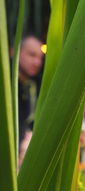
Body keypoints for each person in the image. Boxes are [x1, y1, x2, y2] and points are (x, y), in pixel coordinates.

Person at [17, 35, 44, 164]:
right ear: (16, 52)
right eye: (32, 55)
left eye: (40, 58)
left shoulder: (33, 85)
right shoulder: (9, 85)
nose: (37, 62)